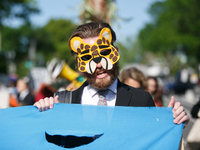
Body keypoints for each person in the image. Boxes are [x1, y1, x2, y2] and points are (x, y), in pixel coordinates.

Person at [34, 22, 189, 148]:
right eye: (87, 57)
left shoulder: (141, 100)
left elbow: (155, 143)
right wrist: (40, 117)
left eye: (104, 53)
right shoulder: (62, 103)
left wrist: (174, 125)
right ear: (79, 64)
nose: (98, 64)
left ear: (115, 53)